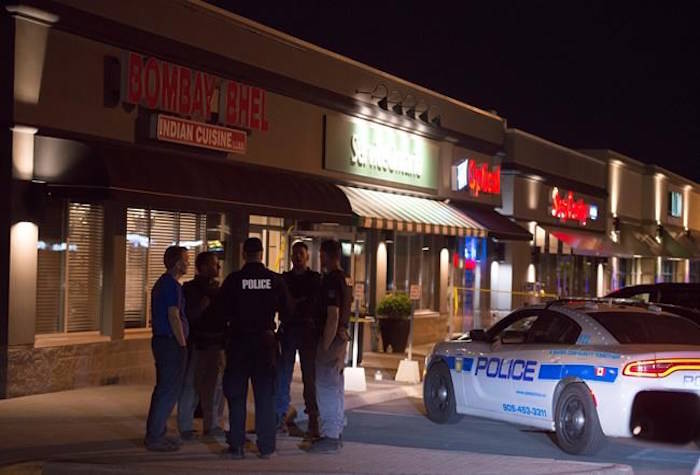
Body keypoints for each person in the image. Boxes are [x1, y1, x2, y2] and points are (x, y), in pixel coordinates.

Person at [216, 237, 290, 459]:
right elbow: (288, 310)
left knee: (237, 395)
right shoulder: (274, 280)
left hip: (238, 343)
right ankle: (266, 447)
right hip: (265, 344)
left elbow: (219, 312)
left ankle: (237, 446)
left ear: (243, 253)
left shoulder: (233, 280)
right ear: (262, 253)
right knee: (265, 396)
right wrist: (278, 334)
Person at [305, 239, 351, 454]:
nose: (320, 258)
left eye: (322, 254)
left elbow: (332, 316)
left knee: (326, 388)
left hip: (330, 341)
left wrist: (324, 345)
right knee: (335, 386)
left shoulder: (332, 280)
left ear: (325, 255)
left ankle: (329, 435)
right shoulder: (343, 279)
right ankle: (336, 430)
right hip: (340, 339)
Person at [144, 245, 190, 452]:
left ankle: (157, 433)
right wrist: (182, 344)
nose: (188, 263)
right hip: (170, 343)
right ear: (177, 262)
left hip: (164, 341)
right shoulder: (171, 285)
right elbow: (173, 315)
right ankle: (155, 437)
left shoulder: (164, 284)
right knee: (167, 390)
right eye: (186, 259)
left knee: (165, 389)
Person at [276, 241, 321, 438]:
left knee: (309, 377)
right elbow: (281, 302)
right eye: (295, 254)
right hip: (289, 329)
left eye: (301, 254)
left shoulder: (314, 279)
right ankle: (280, 418)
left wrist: (296, 303)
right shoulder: (284, 279)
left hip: (307, 331)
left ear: (307, 256)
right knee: (283, 375)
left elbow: (314, 304)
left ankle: (313, 418)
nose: (297, 257)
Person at [183, 251, 225, 438]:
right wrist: (203, 305)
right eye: (215, 264)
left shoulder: (219, 289)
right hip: (198, 345)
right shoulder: (190, 289)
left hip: (216, 343)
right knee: (192, 385)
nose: (218, 268)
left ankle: (212, 424)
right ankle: (186, 426)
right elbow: (188, 317)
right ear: (204, 267)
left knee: (215, 387)